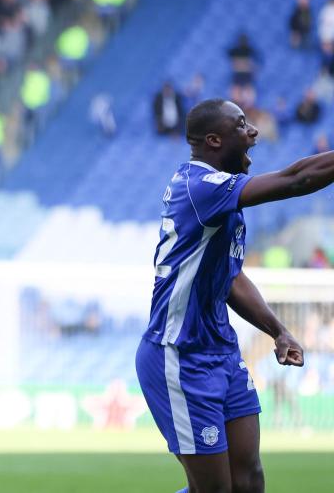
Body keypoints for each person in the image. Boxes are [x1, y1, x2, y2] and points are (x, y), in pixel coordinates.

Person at [136, 98, 320, 493]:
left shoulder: (222, 202)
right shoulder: (199, 187)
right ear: (214, 140)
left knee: (249, 479)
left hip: (221, 352)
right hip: (179, 355)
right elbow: (296, 180)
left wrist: (278, 331)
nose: (253, 131)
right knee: (216, 491)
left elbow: (231, 279)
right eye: (241, 125)